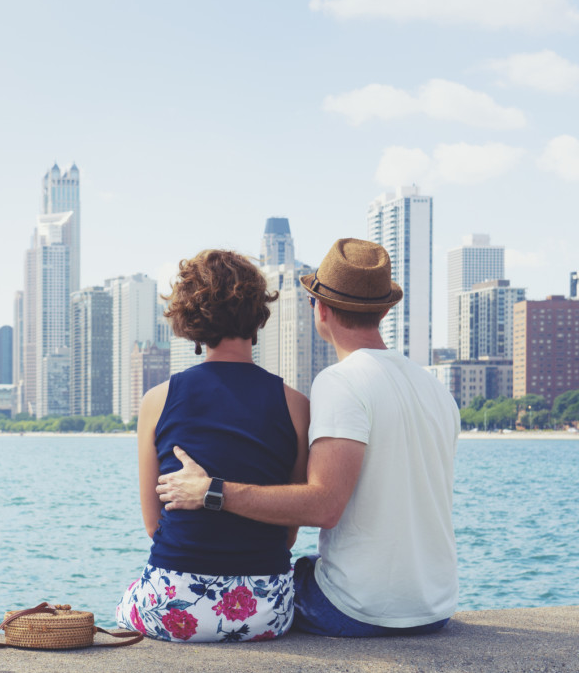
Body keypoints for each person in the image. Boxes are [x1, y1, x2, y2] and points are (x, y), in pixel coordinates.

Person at [156, 238, 460, 637]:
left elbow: (324, 507)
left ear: (321, 309)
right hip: (435, 608)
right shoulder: (436, 388)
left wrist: (211, 492)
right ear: (386, 310)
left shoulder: (341, 382)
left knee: (281, 582)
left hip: (360, 610)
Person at [115, 249, 309, 643]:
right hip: (265, 613)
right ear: (258, 317)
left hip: (173, 609)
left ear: (192, 324)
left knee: (124, 604)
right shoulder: (296, 405)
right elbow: (289, 534)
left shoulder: (157, 399)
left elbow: (155, 526)